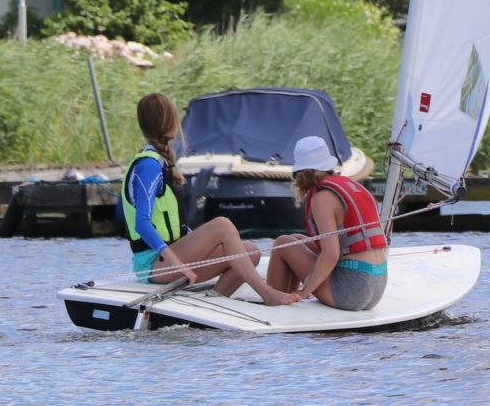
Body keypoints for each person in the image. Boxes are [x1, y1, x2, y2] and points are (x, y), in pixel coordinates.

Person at [123, 93, 295, 304]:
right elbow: (142, 224)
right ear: (171, 122)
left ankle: (212, 301)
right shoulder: (148, 165)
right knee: (222, 225)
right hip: (153, 264)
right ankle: (267, 293)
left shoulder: (161, 162)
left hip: (172, 257)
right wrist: (177, 262)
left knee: (250, 252)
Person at [265, 135, 388, 311]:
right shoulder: (353, 186)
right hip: (376, 286)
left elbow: (331, 254)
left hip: (351, 290)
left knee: (283, 243)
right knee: (296, 239)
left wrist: (305, 291)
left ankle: (272, 301)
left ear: (304, 173)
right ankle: (285, 294)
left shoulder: (322, 198)